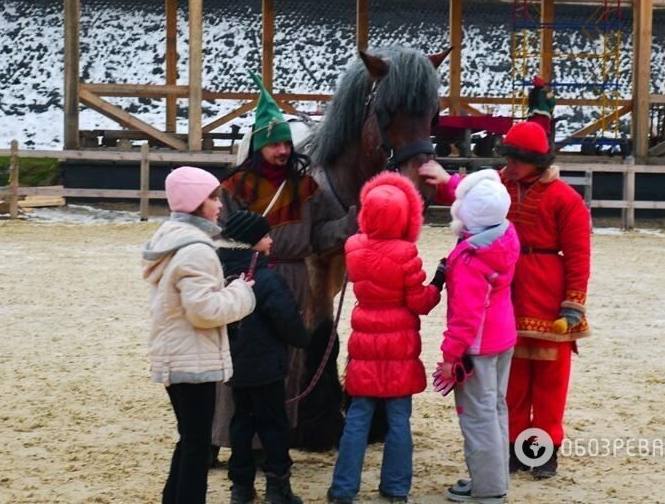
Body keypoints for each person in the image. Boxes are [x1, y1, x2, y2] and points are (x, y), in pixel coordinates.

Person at [418, 120, 591, 479]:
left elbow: (578, 254)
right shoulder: (502, 184)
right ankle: (512, 447)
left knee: (548, 382)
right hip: (507, 292)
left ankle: (543, 450)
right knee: (512, 381)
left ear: (536, 161)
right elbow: (472, 200)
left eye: (516, 160)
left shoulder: (566, 199)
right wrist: (444, 179)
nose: (508, 166)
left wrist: (573, 302)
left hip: (546, 294)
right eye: (507, 158)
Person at [211, 72, 356, 453]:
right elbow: (222, 237)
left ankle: (276, 439)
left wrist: (350, 223)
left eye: (286, 143)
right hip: (247, 277)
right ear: (259, 145)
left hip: (294, 278)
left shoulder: (307, 188)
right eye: (274, 143)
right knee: (242, 361)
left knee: (288, 361)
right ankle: (234, 439)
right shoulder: (233, 188)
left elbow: (318, 236)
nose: (283, 150)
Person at [327, 172, 444, 504]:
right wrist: (438, 283)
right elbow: (420, 303)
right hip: (399, 344)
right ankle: (395, 488)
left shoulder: (353, 248)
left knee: (357, 418)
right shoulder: (407, 253)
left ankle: (343, 488)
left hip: (365, 338)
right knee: (398, 420)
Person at [142, 166, 256, 504]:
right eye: (213, 197)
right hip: (192, 359)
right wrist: (241, 293)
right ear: (196, 203)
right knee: (195, 445)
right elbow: (204, 311)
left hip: (178, 353)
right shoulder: (197, 249)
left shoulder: (172, 237)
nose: (219, 204)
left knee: (190, 438)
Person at [436, 169, 520, 503]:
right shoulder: (505, 234)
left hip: (478, 344)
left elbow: (465, 316)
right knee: (495, 409)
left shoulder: (471, 259)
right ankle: (493, 480)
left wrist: (450, 355)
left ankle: (488, 489)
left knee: (477, 416)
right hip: (502, 336)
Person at [218, 209, 309, 504]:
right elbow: (288, 324)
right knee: (274, 425)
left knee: (241, 423)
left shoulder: (221, 274)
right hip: (267, 368)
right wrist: (303, 336)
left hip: (235, 367)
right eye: (265, 236)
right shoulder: (267, 279)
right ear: (252, 242)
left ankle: (241, 487)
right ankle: (277, 487)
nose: (271, 240)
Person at [527, 76, 556, 140]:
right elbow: (553, 102)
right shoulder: (546, 92)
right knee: (543, 134)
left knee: (533, 134)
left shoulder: (532, 93)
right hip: (544, 116)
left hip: (532, 116)